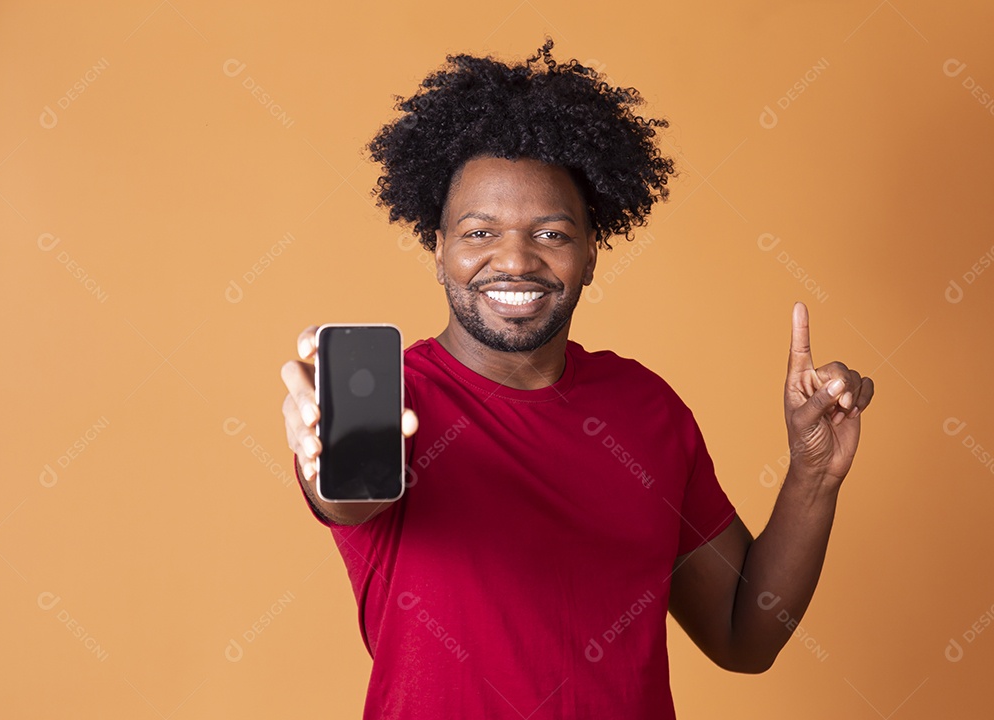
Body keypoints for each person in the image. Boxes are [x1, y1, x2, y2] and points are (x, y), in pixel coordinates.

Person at [279, 38, 873, 719]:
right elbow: (350, 501)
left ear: (592, 254)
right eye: (478, 233)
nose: (515, 259)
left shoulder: (645, 409)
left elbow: (746, 635)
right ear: (436, 249)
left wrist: (813, 474)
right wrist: (324, 456)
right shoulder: (393, 401)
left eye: (552, 234)